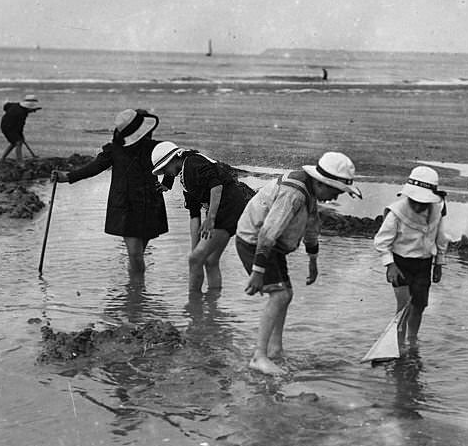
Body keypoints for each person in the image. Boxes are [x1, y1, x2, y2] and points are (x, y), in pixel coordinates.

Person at [235, 151, 361, 375]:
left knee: (286, 294)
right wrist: (257, 271)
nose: (335, 198)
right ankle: (259, 356)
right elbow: (267, 232)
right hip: (256, 241)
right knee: (280, 294)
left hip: (272, 245)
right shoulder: (294, 193)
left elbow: (312, 226)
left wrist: (313, 260)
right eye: (336, 192)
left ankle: (275, 350)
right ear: (322, 183)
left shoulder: (310, 191)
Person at [53, 109, 168, 285]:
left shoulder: (155, 148)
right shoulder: (114, 150)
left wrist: (173, 179)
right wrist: (68, 176)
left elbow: (176, 161)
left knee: (137, 255)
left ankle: (134, 292)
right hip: (126, 207)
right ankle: (137, 294)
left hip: (150, 204)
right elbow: (94, 167)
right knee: (135, 255)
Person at [150, 141, 255, 293]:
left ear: (174, 159)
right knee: (209, 260)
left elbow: (216, 186)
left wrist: (211, 219)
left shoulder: (193, 162)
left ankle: (193, 300)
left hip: (229, 207)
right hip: (221, 209)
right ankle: (212, 302)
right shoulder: (184, 179)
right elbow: (194, 214)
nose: (166, 173)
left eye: (165, 168)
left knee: (196, 260)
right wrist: (195, 247)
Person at [372, 166, 448, 352]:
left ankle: (412, 339)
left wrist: (439, 263)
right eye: (414, 200)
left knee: (420, 304)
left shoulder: (437, 210)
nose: (417, 206)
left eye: (423, 202)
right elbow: (382, 241)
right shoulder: (397, 212)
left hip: (424, 263)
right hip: (400, 263)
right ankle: (398, 343)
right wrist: (389, 264)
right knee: (404, 306)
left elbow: (441, 237)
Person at [0, 93, 41, 163]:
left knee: (14, 143)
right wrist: (21, 135)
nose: (34, 111)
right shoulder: (21, 114)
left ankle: (2, 158)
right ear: (28, 107)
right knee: (18, 142)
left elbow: (6, 106)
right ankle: (20, 162)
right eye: (33, 110)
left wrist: (20, 135)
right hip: (8, 127)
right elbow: (19, 127)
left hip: (6, 124)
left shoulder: (16, 105)